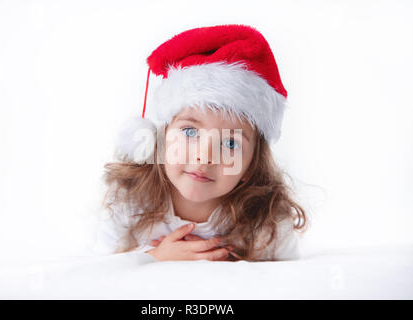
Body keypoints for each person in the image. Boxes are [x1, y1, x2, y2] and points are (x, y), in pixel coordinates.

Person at [91, 24, 308, 263]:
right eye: (190, 131)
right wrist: (155, 258)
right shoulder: (129, 198)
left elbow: (291, 280)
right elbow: (102, 269)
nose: (204, 157)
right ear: (161, 140)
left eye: (230, 144)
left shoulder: (268, 219)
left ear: (250, 167)